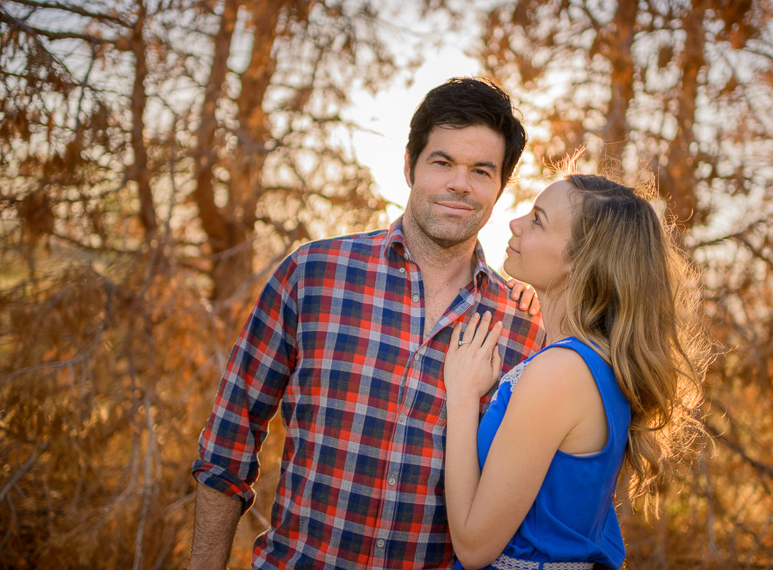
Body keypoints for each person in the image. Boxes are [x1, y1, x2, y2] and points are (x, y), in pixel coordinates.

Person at [189, 77, 547, 570]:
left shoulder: (524, 327)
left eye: (481, 171)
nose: (460, 184)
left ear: (500, 187)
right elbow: (230, 437)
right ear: (409, 167)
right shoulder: (313, 274)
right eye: (442, 162)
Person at [442, 173, 707, 570]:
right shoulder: (590, 363)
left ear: (578, 260)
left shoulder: (561, 372)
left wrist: (462, 394)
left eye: (537, 220)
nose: (515, 223)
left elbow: (473, 545)